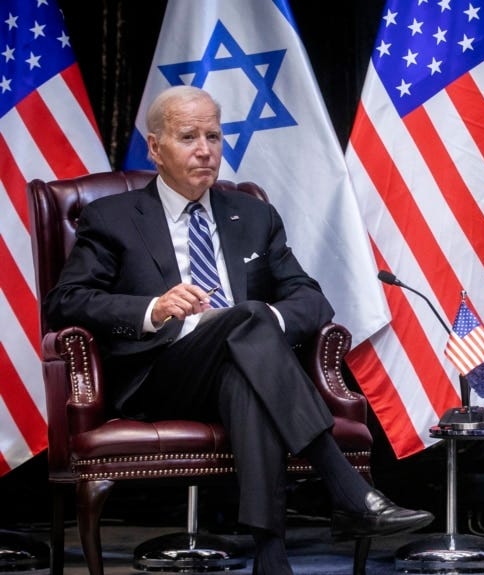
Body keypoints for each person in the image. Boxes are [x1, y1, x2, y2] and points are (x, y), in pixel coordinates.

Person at [43, 85, 433, 574]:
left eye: (213, 136)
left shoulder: (253, 215)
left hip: (244, 369)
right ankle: (345, 488)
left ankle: (271, 557)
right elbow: (65, 301)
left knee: (244, 360)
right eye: (189, 137)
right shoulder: (113, 217)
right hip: (160, 376)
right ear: (155, 148)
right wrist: (153, 308)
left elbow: (311, 298)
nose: (205, 150)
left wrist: (266, 322)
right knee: (248, 319)